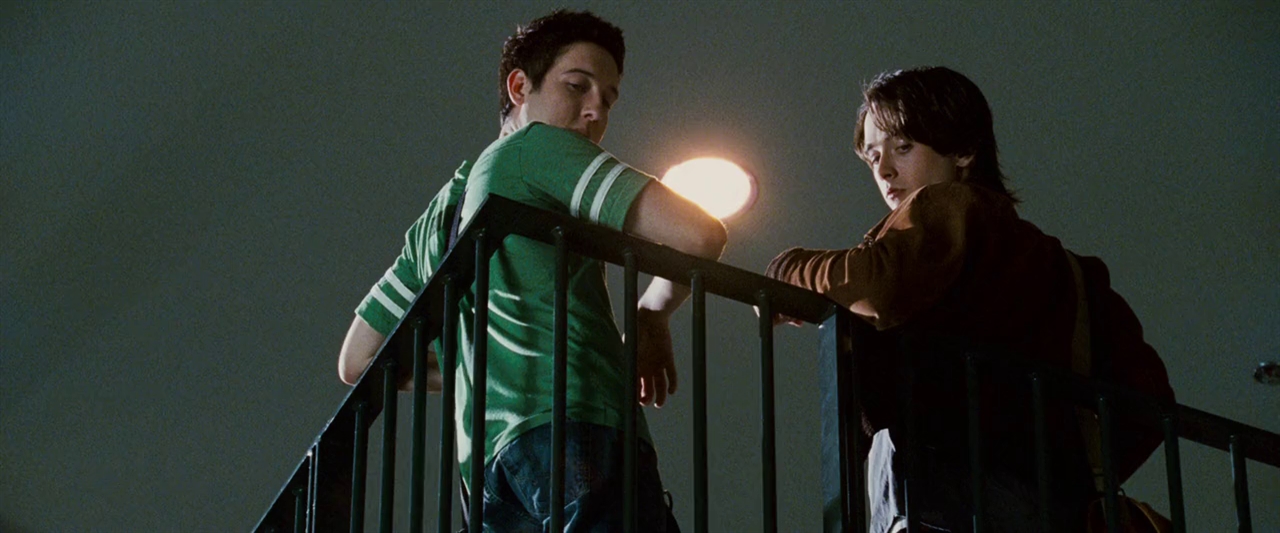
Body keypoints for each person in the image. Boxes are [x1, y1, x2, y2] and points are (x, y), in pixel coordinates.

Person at [338, 10, 726, 532]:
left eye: (609, 99)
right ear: (520, 87)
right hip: (578, 427)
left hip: (490, 475)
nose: (595, 110)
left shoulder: (439, 217)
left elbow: (358, 360)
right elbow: (700, 233)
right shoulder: (537, 149)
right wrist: (652, 313)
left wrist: (475, 367)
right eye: (577, 86)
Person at [763, 66, 1174, 532]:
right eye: (873, 155)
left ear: (963, 150)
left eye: (903, 146)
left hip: (946, 501)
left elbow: (877, 284)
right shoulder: (1070, 272)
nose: (884, 169)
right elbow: (1149, 404)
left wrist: (786, 270)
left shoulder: (949, 205)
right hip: (1051, 507)